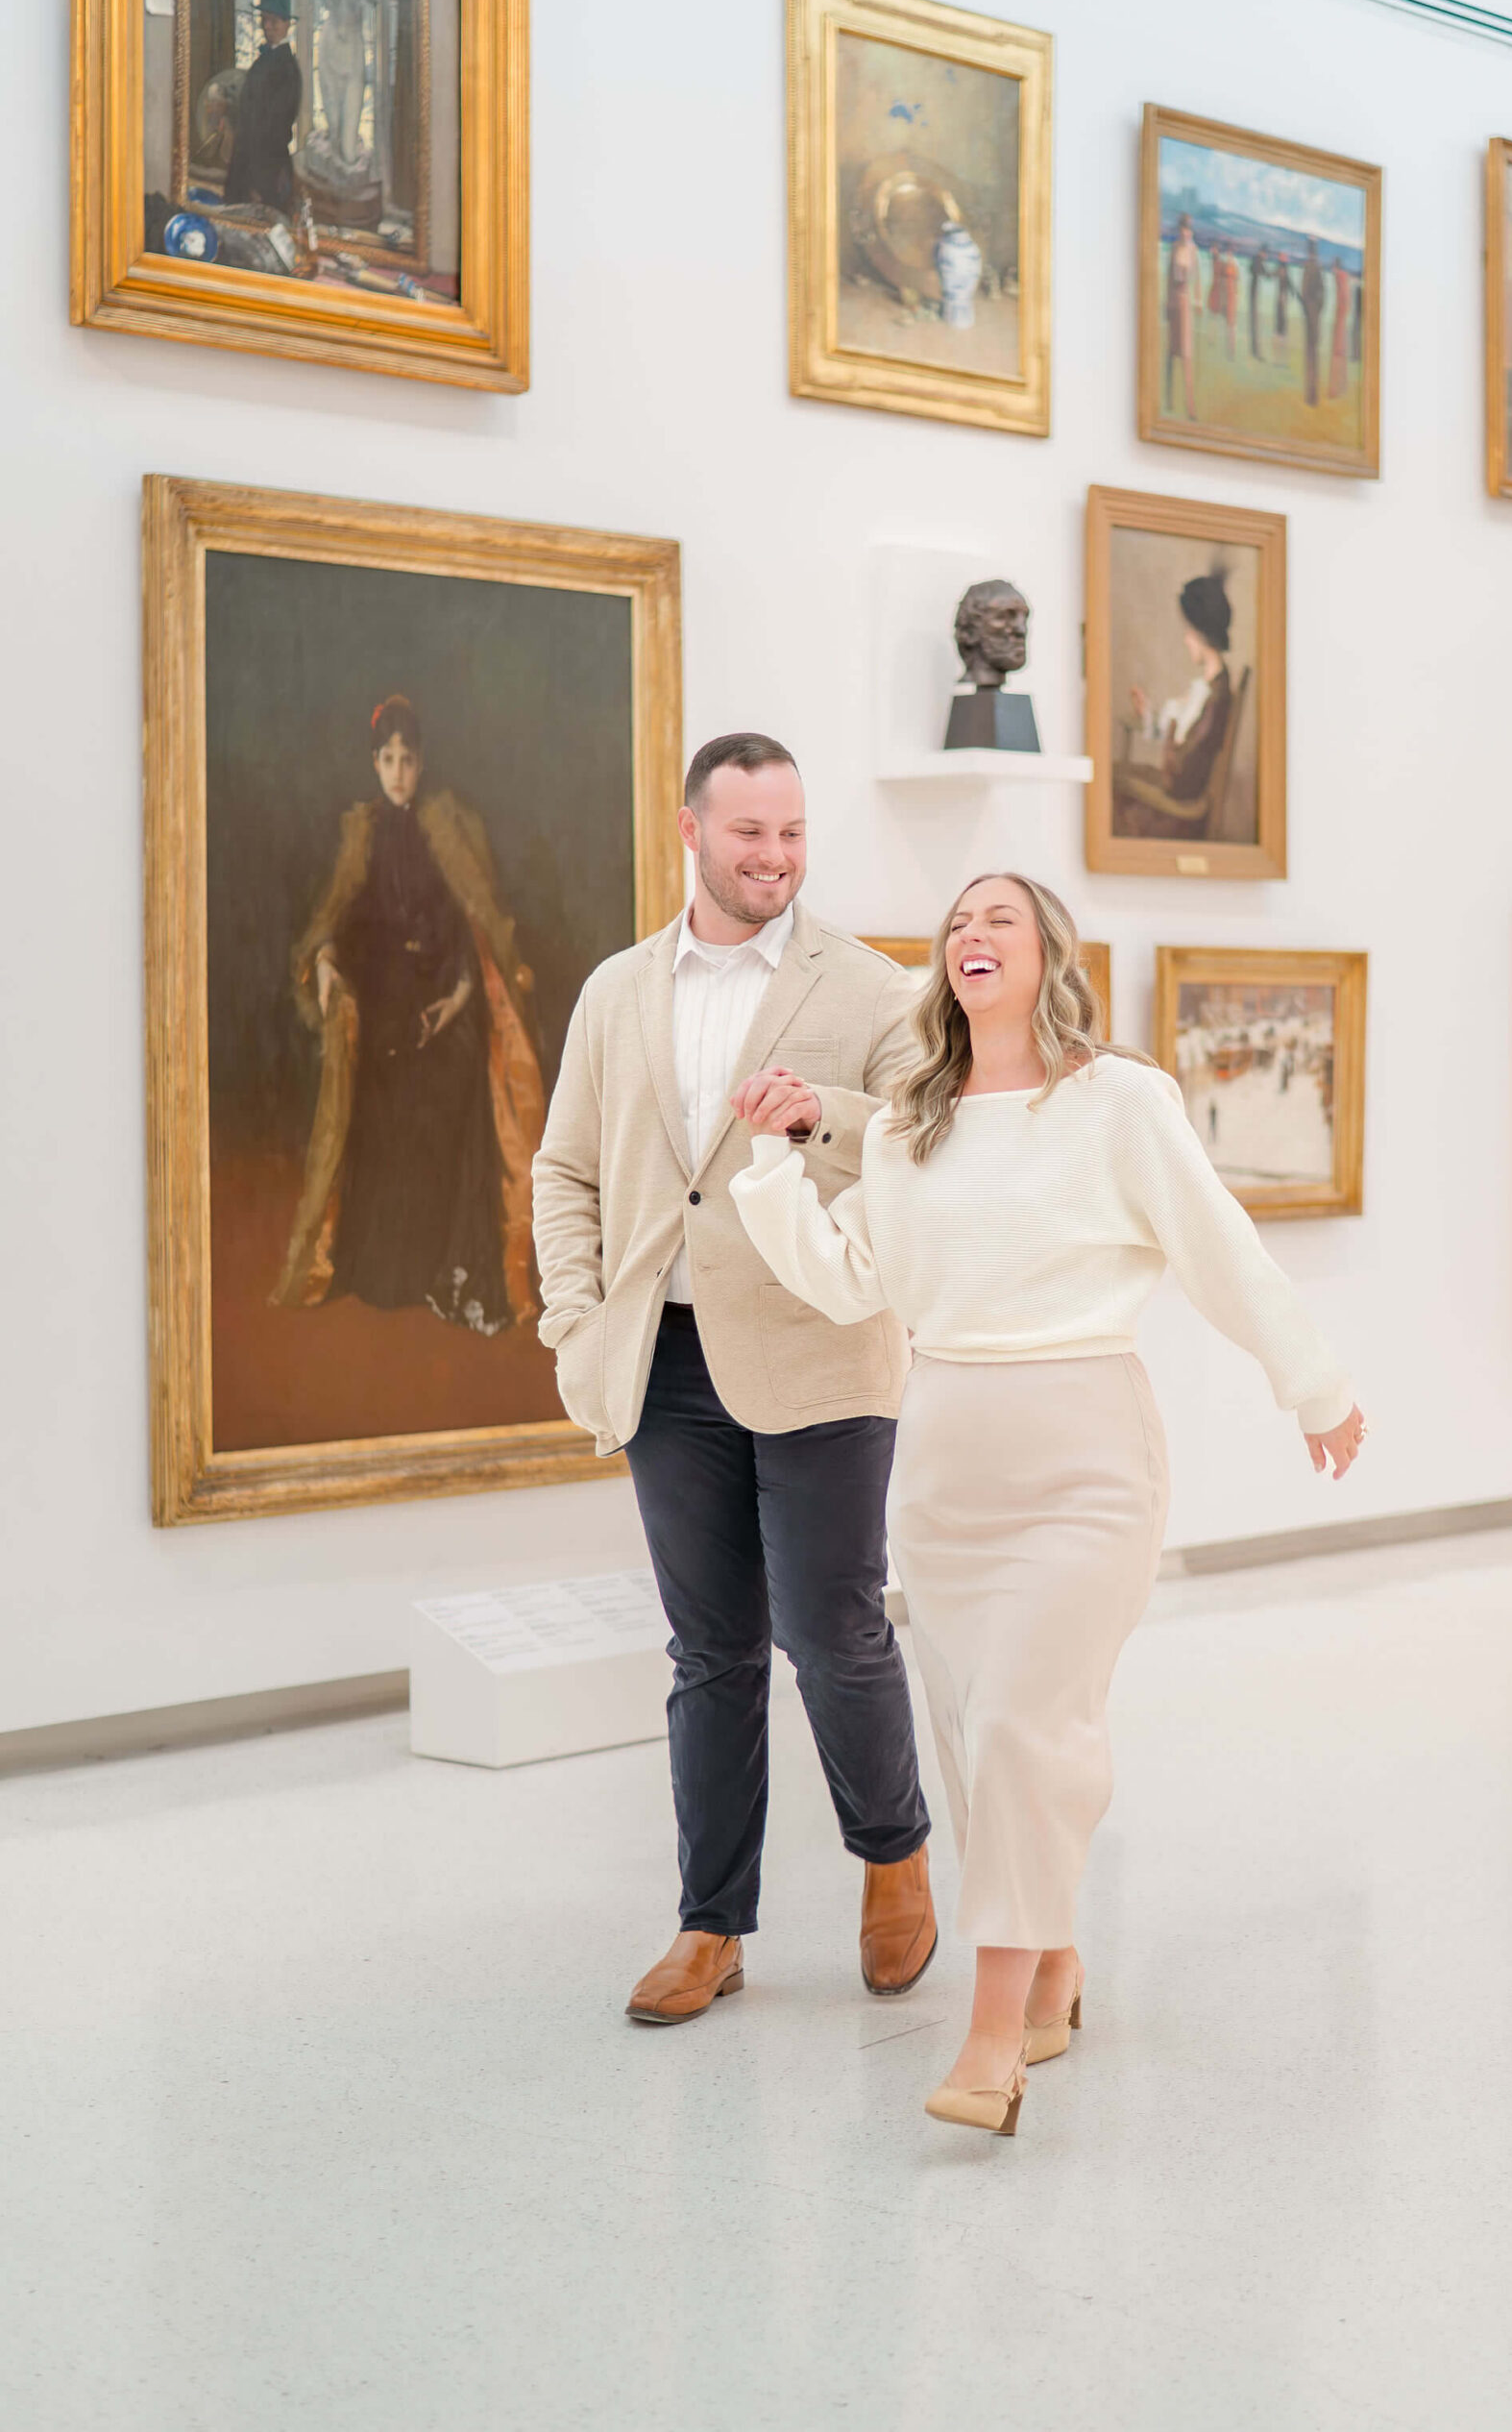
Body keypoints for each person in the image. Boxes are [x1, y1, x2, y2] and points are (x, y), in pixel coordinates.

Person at [729, 873, 1364, 2134]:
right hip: (947, 1464)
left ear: (1046, 957)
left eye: (996, 919)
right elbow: (854, 1280)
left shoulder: (1117, 1101)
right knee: (976, 1736)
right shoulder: (913, 1125)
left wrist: (1314, 1387)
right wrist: (766, 1167)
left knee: (1023, 1724)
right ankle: (1052, 1961)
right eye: (955, 923)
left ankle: (986, 2040)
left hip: (1083, 1457)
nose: (970, 935)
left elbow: (1215, 1243)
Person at [530, 733, 936, 2027]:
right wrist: (572, 1314)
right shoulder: (614, 991)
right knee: (708, 1651)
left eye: (792, 834)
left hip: (819, 1341)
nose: (773, 856)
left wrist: (816, 1112)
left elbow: (919, 1148)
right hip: (665, 1359)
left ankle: (893, 1863)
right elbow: (566, 1168)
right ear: (691, 833)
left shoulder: (870, 988)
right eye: (749, 832)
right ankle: (711, 1924)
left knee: (831, 1630)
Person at [275, 696, 545, 1334]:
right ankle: (383, 1268)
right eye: (388, 760)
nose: (398, 771)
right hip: (383, 1003)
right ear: (375, 764)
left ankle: (440, 1267)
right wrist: (330, 964)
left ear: (421, 765)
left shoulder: (446, 829)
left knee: (448, 1090)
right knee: (381, 1093)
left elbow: (468, 926)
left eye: (408, 760)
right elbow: (338, 921)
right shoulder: (359, 834)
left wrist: (455, 1000)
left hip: (445, 1003)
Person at [1115, 567, 1235, 839]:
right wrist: (1150, 716)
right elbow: (1184, 730)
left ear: (1202, 633)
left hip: (1181, 801)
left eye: (1190, 632)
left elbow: (1184, 768)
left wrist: (1168, 736)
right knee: (1116, 771)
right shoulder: (1207, 687)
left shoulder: (1214, 694)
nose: (1186, 639)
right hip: (1177, 787)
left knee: (1115, 780)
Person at [224, 0, 302, 213]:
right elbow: (249, 109)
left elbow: (274, 132)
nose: (267, 27)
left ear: (287, 24)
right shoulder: (262, 62)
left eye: (274, 21)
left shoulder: (288, 71)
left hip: (266, 169)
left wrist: (257, 183)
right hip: (245, 160)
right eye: (264, 20)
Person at [1163, 214, 1202, 419]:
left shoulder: (1193, 250)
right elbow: (1169, 276)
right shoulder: (1174, 248)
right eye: (1182, 229)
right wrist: (1168, 302)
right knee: (1171, 352)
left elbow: (1197, 279)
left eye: (1187, 229)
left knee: (1187, 354)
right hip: (1174, 302)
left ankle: (1190, 405)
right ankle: (1168, 398)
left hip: (1186, 303)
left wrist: (1198, 300)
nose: (1185, 232)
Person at [1300, 235, 1326, 408]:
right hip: (1312, 316)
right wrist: (1314, 309)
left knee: (1311, 356)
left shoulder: (1312, 267)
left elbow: (1316, 294)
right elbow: (1320, 294)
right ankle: (1311, 396)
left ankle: (1312, 397)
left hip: (1312, 317)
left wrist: (1312, 310)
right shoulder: (1313, 267)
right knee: (1311, 356)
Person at [1329, 256, 1353, 399]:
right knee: (1340, 353)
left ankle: (1336, 389)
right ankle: (1341, 387)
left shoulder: (1341, 278)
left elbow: (1344, 300)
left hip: (1340, 320)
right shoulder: (1342, 278)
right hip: (1341, 319)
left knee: (1338, 353)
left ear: (1336, 267)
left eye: (1333, 268)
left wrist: (1340, 315)